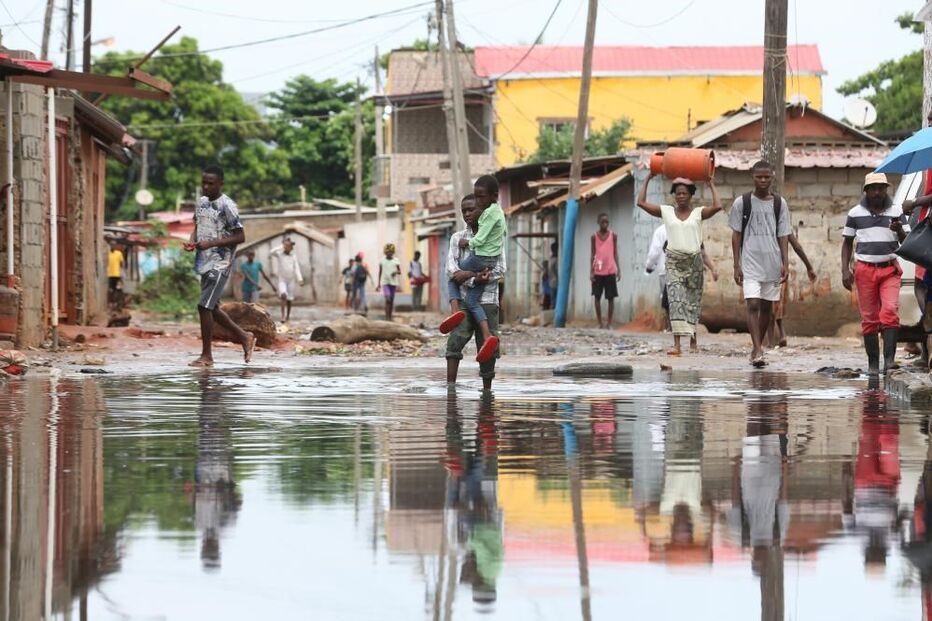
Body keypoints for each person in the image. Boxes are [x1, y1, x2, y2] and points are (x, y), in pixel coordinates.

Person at [637, 174, 722, 355]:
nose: (681, 196)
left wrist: (711, 184)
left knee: (692, 302)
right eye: (678, 193)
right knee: (675, 301)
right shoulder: (666, 211)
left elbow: (718, 206)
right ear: (674, 196)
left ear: (691, 195)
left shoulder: (698, 213)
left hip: (694, 262)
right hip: (674, 262)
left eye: (684, 193)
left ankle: (693, 341)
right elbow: (641, 203)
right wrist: (647, 179)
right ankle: (676, 344)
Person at [182, 164, 255, 367]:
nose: (206, 187)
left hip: (221, 262)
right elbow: (197, 227)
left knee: (203, 306)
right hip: (203, 262)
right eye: (203, 183)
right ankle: (244, 337)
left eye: (210, 183)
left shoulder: (227, 206)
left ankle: (207, 356)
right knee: (211, 307)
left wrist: (212, 243)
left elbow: (240, 236)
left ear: (221, 184)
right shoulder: (201, 203)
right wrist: (192, 241)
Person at [842, 172, 908, 375]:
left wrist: (898, 230)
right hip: (864, 269)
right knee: (869, 318)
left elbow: (906, 242)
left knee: (889, 312)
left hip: (889, 269)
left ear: (886, 189)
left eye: (881, 188)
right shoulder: (855, 214)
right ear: (866, 191)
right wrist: (845, 269)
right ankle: (873, 365)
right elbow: (847, 243)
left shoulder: (896, 211)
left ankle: (888, 362)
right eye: (873, 188)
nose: (877, 192)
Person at [729, 160, 791, 368]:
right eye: (759, 177)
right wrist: (736, 264)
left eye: (767, 177)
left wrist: (785, 262)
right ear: (752, 177)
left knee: (767, 308)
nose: (763, 180)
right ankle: (757, 348)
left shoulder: (780, 204)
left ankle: (758, 346)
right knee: (753, 304)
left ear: (772, 176)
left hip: (772, 263)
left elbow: (783, 236)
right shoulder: (742, 203)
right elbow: (736, 235)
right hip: (750, 262)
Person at [440, 175, 506, 365]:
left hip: (489, 299)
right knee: (454, 346)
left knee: (489, 354)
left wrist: (471, 276)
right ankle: (451, 389)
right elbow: (450, 267)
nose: (468, 214)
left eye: (472, 209)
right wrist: (475, 278)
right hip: (467, 299)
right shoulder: (456, 237)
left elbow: (501, 268)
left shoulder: (491, 235)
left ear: (482, 210)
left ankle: (487, 390)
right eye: (464, 211)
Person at [766, 230, 818, 348]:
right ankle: (780, 335)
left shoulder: (767, 220)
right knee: (775, 303)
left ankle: (770, 340)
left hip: (768, 270)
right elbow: (797, 247)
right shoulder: (781, 223)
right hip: (779, 271)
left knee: (769, 303)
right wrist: (809, 267)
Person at [590, 213, 620, 329]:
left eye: (607, 222)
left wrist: (618, 268)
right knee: (597, 297)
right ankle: (599, 323)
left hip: (610, 270)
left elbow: (615, 252)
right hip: (598, 270)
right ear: (598, 222)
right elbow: (592, 254)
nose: (605, 224)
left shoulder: (613, 236)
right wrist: (591, 271)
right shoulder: (594, 237)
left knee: (611, 297)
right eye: (602, 221)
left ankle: (609, 323)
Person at [270, 238, 304, 323]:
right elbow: (271, 252)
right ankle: (283, 316)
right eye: (288, 246)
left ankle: (288, 316)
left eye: (290, 246)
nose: (290, 247)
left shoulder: (293, 256)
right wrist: (282, 246)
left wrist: (300, 279)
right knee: (283, 295)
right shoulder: (279, 254)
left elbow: (296, 268)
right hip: (282, 280)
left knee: (289, 299)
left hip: (291, 280)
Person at [377, 243, 402, 321]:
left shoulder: (396, 260)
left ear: (393, 252)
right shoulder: (382, 260)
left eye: (391, 252)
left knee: (391, 300)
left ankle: (389, 316)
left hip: (393, 283)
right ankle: (386, 317)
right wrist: (378, 284)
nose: (389, 254)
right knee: (387, 299)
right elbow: (380, 272)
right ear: (385, 252)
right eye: (388, 252)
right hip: (385, 282)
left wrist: (395, 272)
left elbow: (399, 271)